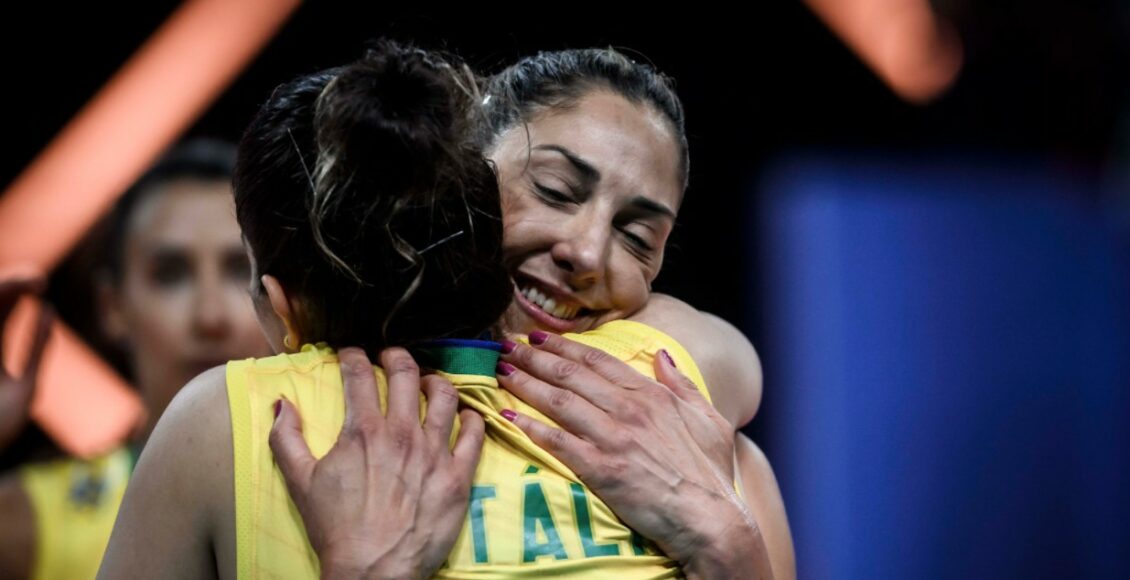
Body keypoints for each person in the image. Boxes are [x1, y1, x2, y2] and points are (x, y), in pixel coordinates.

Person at [100, 43, 791, 578]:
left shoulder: (700, 445)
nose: (586, 250)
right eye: (554, 189)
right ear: (462, 171)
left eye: (639, 238)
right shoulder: (236, 428)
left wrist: (729, 546)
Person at [0, 140, 271, 580]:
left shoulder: (372, 487)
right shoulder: (32, 520)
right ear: (113, 307)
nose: (210, 317)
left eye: (240, 268)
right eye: (171, 274)